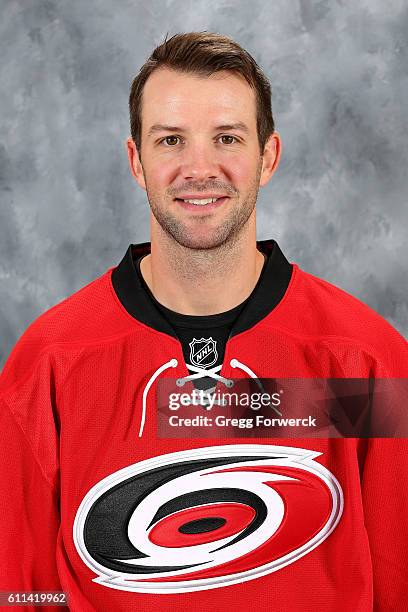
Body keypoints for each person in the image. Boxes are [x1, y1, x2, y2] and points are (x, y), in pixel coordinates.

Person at [0, 31, 407, 612]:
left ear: (267, 157)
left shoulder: (366, 361)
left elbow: (398, 580)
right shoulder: (48, 365)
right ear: (137, 162)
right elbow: (22, 593)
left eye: (226, 138)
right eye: (170, 140)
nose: (199, 168)